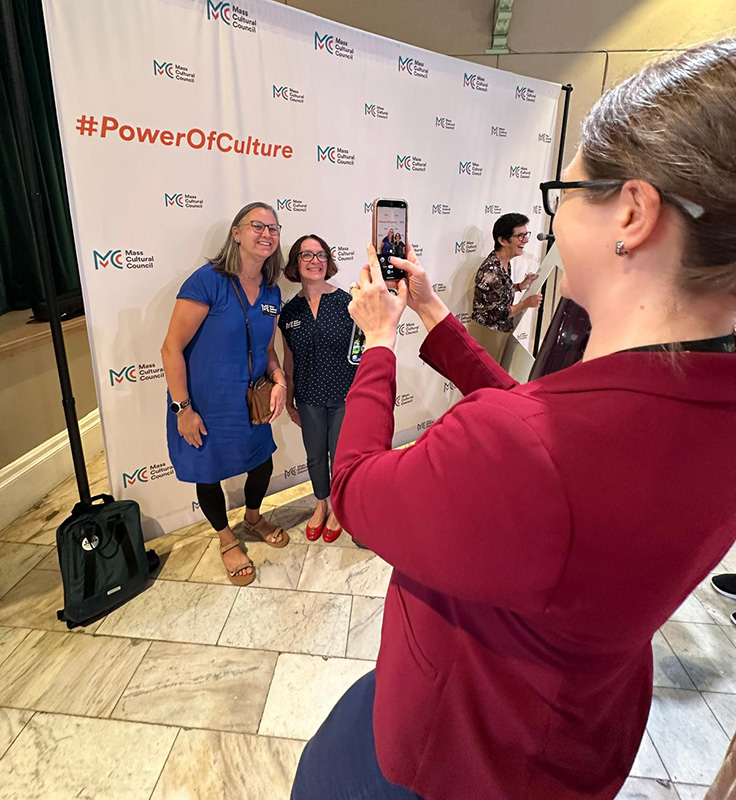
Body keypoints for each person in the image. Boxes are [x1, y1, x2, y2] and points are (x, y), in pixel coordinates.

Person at [290, 38, 736, 800]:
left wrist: (378, 341)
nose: (552, 218)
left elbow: (356, 486)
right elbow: (540, 427)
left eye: (568, 190)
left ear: (633, 210)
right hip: (574, 743)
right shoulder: (701, 405)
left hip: (456, 752)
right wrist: (431, 313)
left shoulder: (527, 451)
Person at [162, 202, 290, 586]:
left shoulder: (271, 290)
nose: (267, 234)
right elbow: (171, 348)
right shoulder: (207, 281)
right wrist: (183, 408)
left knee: (262, 462)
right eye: (258, 226)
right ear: (236, 233)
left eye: (274, 228)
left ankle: (252, 519)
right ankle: (225, 538)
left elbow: (265, 349)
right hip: (205, 401)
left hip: (250, 401)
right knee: (209, 472)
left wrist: (280, 378)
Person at [279, 234, 357, 543]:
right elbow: (288, 360)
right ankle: (320, 503)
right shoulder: (289, 312)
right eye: (307, 255)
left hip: (344, 396)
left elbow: (363, 352)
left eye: (321, 254)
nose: (315, 261)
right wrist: (289, 400)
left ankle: (338, 507)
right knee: (314, 456)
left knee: (339, 456)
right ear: (295, 264)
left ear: (329, 261)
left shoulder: (348, 302)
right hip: (308, 397)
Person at [468, 212, 541, 362]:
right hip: (488, 334)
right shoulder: (492, 271)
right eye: (520, 236)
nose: (526, 240)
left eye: (526, 235)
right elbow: (498, 313)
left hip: (498, 332)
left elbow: (498, 293)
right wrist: (526, 304)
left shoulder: (504, 262)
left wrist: (520, 286)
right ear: (502, 240)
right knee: (487, 379)